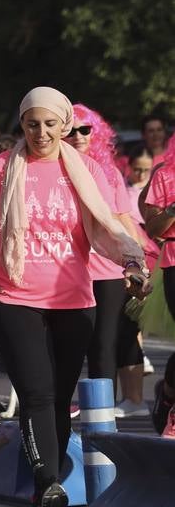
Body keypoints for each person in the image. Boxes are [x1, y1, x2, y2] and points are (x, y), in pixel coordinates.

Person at [0, 87, 145, 507]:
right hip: (15, 295)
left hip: (75, 297)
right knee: (37, 391)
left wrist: (133, 261)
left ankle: (49, 479)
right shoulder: (1, 169)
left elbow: (111, 220)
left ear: (64, 124)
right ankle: (48, 486)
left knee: (60, 397)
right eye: (31, 123)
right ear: (21, 124)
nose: (40, 132)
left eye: (49, 124)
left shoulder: (88, 169)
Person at [67, 105, 147, 418]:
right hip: (66, 269)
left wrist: (139, 264)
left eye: (85, 129)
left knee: (104, 344)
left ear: (95, 132)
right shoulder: (55, 169)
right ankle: (62, 408)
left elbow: (124, 220)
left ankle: (101, 415)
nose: (78, 136)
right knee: (68, 344)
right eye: (71, 130)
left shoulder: (109, 171)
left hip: (108, 271)